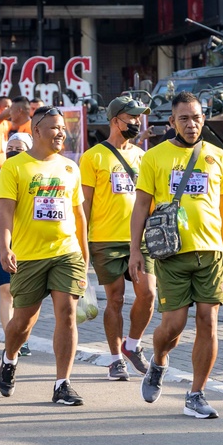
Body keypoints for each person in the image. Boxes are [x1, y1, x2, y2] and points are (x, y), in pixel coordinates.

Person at [131, 92, 223, 419]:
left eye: (197, 118)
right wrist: (135, 250)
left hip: (212, 254)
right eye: (185, 118)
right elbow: (140, 207)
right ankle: (158, 361)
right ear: (172, 122)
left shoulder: (219, 156)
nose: (192, 124)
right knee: (173, 325)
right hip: (171, 253)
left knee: (208, 321)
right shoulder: (154, 157)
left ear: (204, 119)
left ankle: (196, 393)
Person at [0, 106, 89, 406]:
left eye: (62, 128)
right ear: (36, 131)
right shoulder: (15, 167)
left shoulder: (70, 167)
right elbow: (5, 214)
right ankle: (9, 358)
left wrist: (85, 258)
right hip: (29, 256)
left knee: (67, 313)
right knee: (24, 321)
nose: (61, 133)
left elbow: (79, 216)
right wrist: (5, 247)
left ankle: (63, 383)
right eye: (53, 128)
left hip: (66, 252)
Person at [80, 96, 155, 381]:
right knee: (115, 299)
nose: (136, 123)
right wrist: (82, 241)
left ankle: (132, 345)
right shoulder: (93, 157)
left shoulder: (142, 156)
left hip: (141, 239)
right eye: (131, 118)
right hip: (105, 239)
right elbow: (84, 204)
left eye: (138, 118)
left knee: (148, 294)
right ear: (115, 121)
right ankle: (114, 359)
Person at [0, 133, 32, 357]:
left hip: (29, 241)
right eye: (9, 147)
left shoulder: (34, 174)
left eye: (19, 148)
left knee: (24, 293)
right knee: (7, 291)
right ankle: (11, 338)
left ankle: (23, 335)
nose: (12, 151)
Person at [0, 96, 31, 172]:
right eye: (7, 107)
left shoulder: (28, 127)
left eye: (10, 108)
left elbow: (19, 121)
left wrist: (19, 109)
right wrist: (15, 108)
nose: (9, 111)